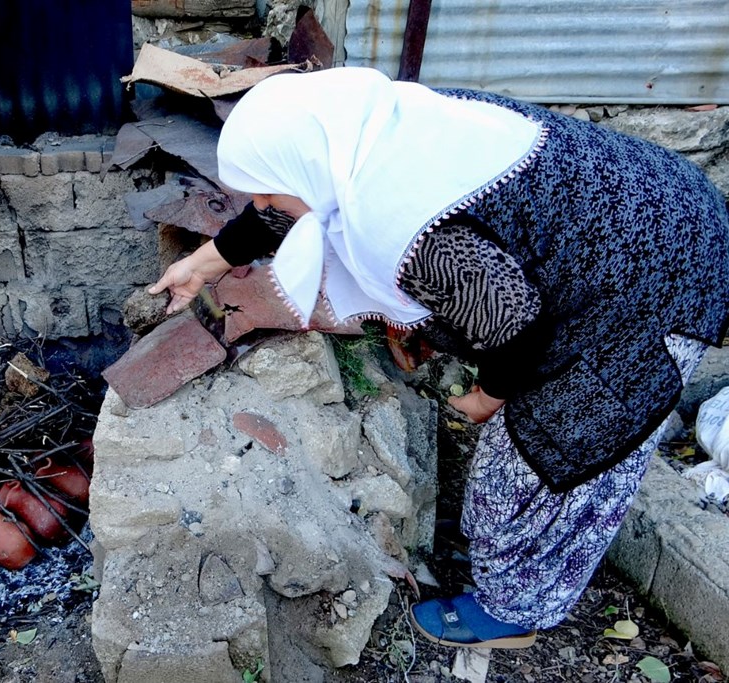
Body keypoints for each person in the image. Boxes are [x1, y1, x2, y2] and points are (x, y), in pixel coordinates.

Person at [149, 67, 729, 649]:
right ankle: (495, 545)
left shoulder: (408, 223)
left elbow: (514, 330)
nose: (261, 203)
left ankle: (516, 611)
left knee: (556, 448)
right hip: (641, 204)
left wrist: (486, 397)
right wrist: (204, 263)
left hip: (657, 279)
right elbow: (283, 204)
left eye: (267, 191)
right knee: (522, 446)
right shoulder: (360, 135)